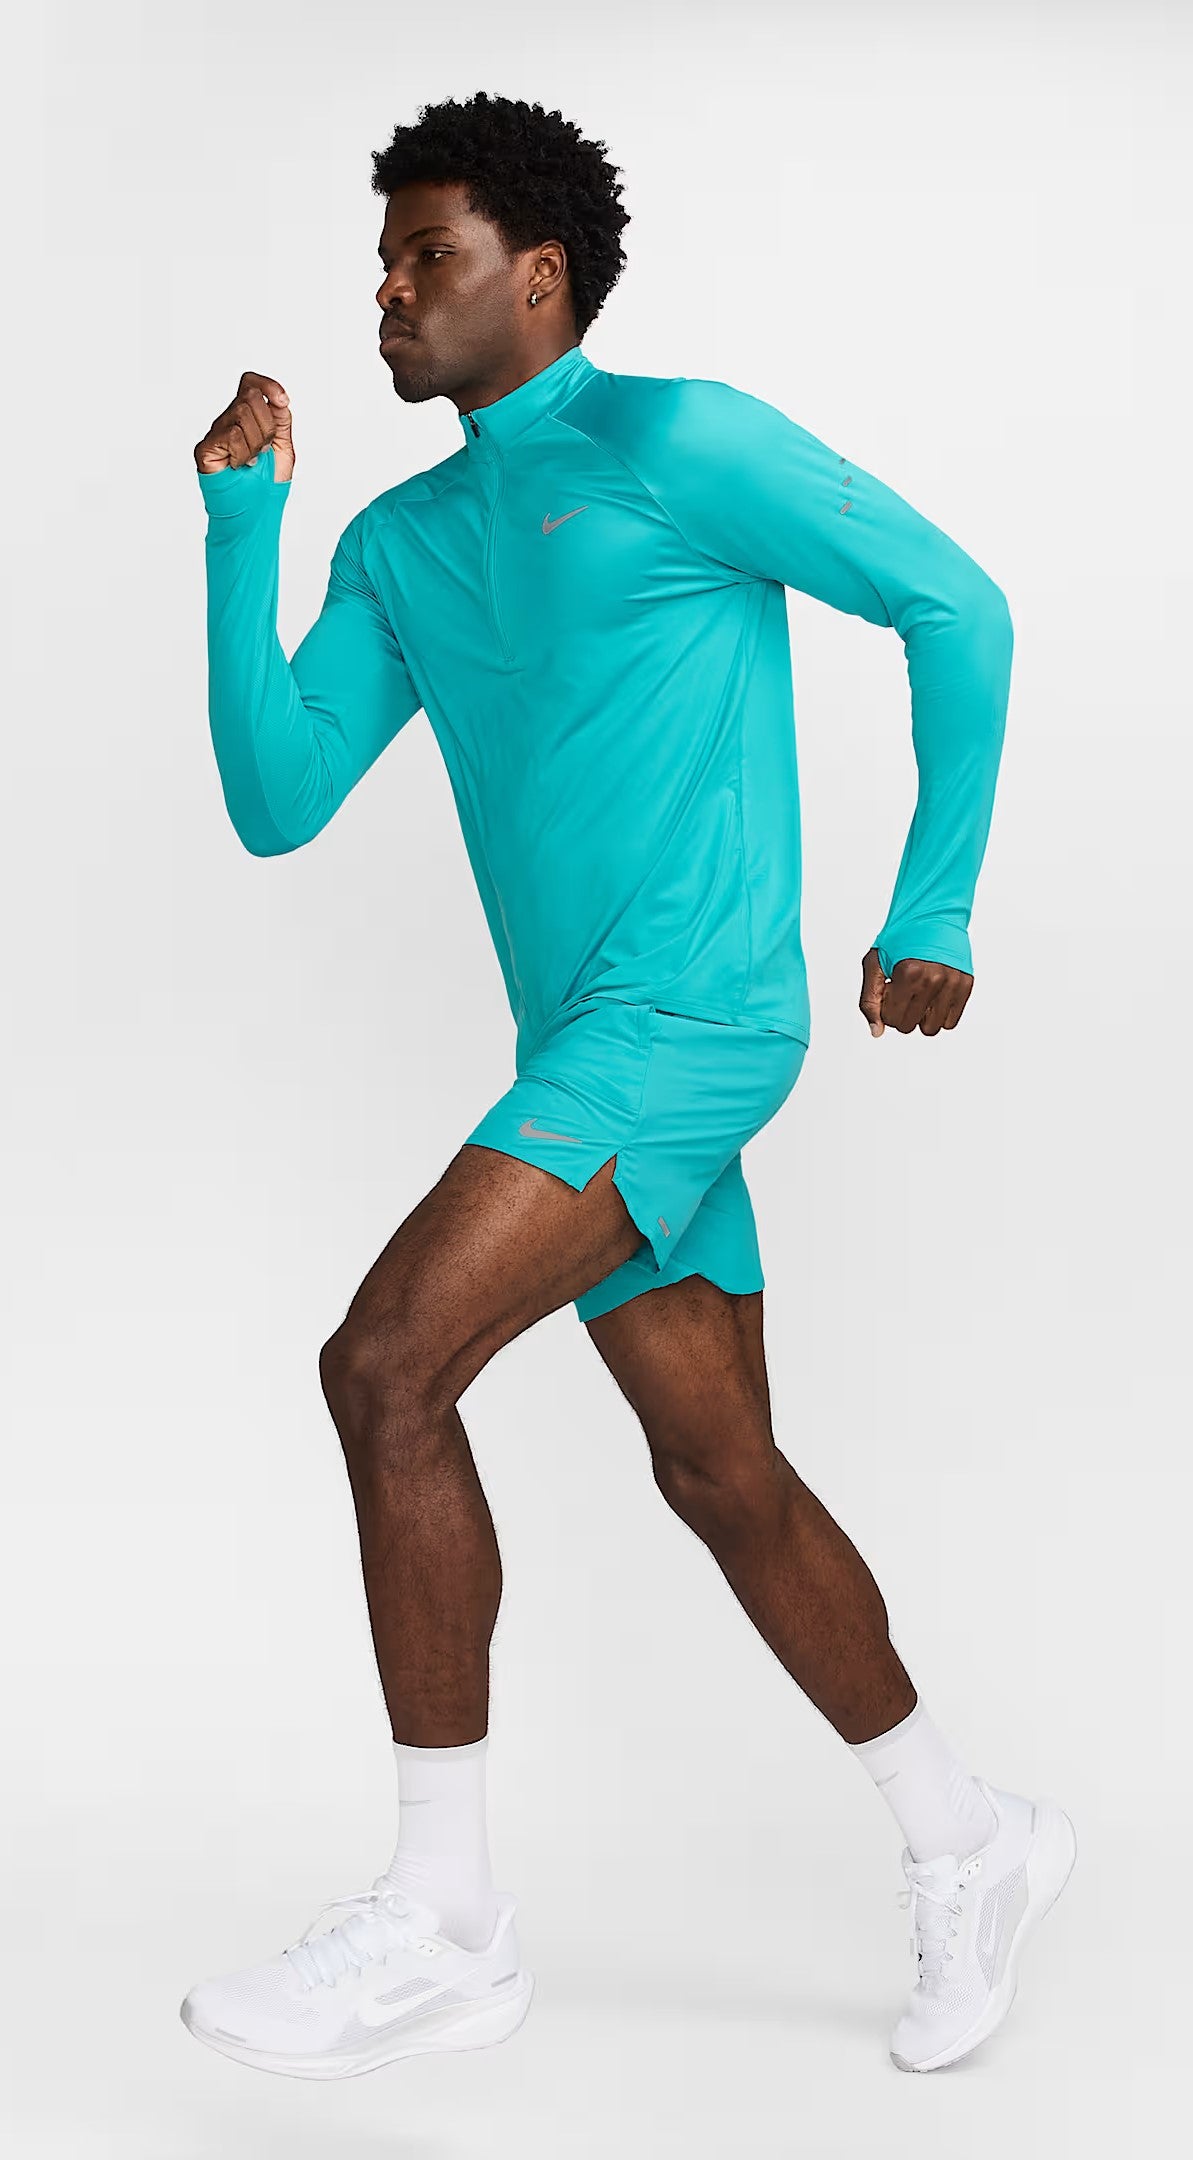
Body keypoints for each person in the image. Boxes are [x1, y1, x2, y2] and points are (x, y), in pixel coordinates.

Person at [180, 90, 1074, 2082]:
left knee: (385, 1366)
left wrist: (932, 901)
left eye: (426, 255)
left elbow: (958, 604)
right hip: (579, 1043)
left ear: (540, 276)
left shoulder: (682, 446)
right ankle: (971, 1838)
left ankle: (444, 1920)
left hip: (693, 1024)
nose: (387, 292)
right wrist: (244, 534)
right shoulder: (405, 542)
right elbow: (278, 795)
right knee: (720, 1474)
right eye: (381, 260)